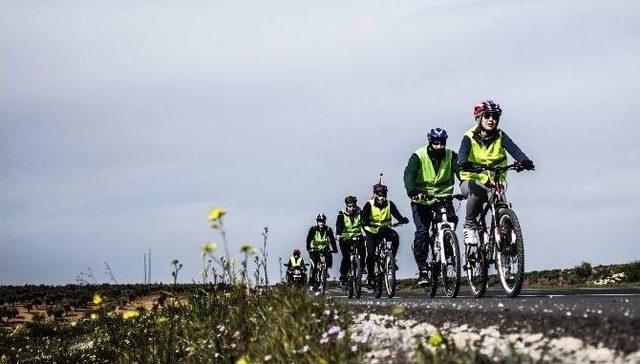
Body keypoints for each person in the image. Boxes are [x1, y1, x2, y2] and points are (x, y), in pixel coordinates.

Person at [457, 100, 535, 248]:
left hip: (494, 181)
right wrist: (463, 162)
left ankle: (506, 240)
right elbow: (462, 152)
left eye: (495, 117)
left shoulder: (500, 135)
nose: (491, 119)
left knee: (502, 204)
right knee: (477, 191)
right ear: (479, 117)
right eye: (487, 116)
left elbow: (514, 149)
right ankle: (469, 224)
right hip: (472, 179)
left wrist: (524, 160)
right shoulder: (469, 136)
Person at [404, 127, 459, 285]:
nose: (439, 146)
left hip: (444, 199)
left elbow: (459, 170)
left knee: (452, 221)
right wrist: (412, 190)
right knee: (422, 233)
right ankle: (422, 269)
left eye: (442, 143)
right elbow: (409, 174)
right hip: (421, 201)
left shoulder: (451, 155)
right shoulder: (418, 156)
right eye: (436, 143)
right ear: (430, 142)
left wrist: (465, 183)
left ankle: (447, 249)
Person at [361, 183, 410, 286]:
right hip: (372, 231)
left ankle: (391, 259)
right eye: (379, 195)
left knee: (395, 237)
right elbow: (364, 215)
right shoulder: (369, 204)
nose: (382, 197)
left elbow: (397, 215)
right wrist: (364, 221)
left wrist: (403, 220)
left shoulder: (389, 204)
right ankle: (370, 277)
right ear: (375, 195)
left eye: (384, 195)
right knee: (370, 254)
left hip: (384, 230)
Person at [336, 196, 366, 285]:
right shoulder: (342, 213)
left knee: (363, 252)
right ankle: (343, 275)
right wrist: (338, 235)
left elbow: (364, 224)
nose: (351, 208)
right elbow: (339, 225)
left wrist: (366, 234)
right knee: (346, 257)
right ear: (346, 206)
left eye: (353, 206)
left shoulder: (360, 212)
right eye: (349, 206)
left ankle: (361, 267)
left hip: (358, 236)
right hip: (345, 238)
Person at [306, 214, 338, 284]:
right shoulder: (313, 229)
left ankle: (325, 271)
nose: (321, 223)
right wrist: (308, 248)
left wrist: (335, 249)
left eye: (323, 221)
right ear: (317, 222)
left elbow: (332, 240)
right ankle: (312, 278)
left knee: (329, 257)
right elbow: (308, 239)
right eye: (320, 221)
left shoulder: (328, 229)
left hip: (325, 248)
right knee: (314, 266)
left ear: (325, 222)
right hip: (314, 249)